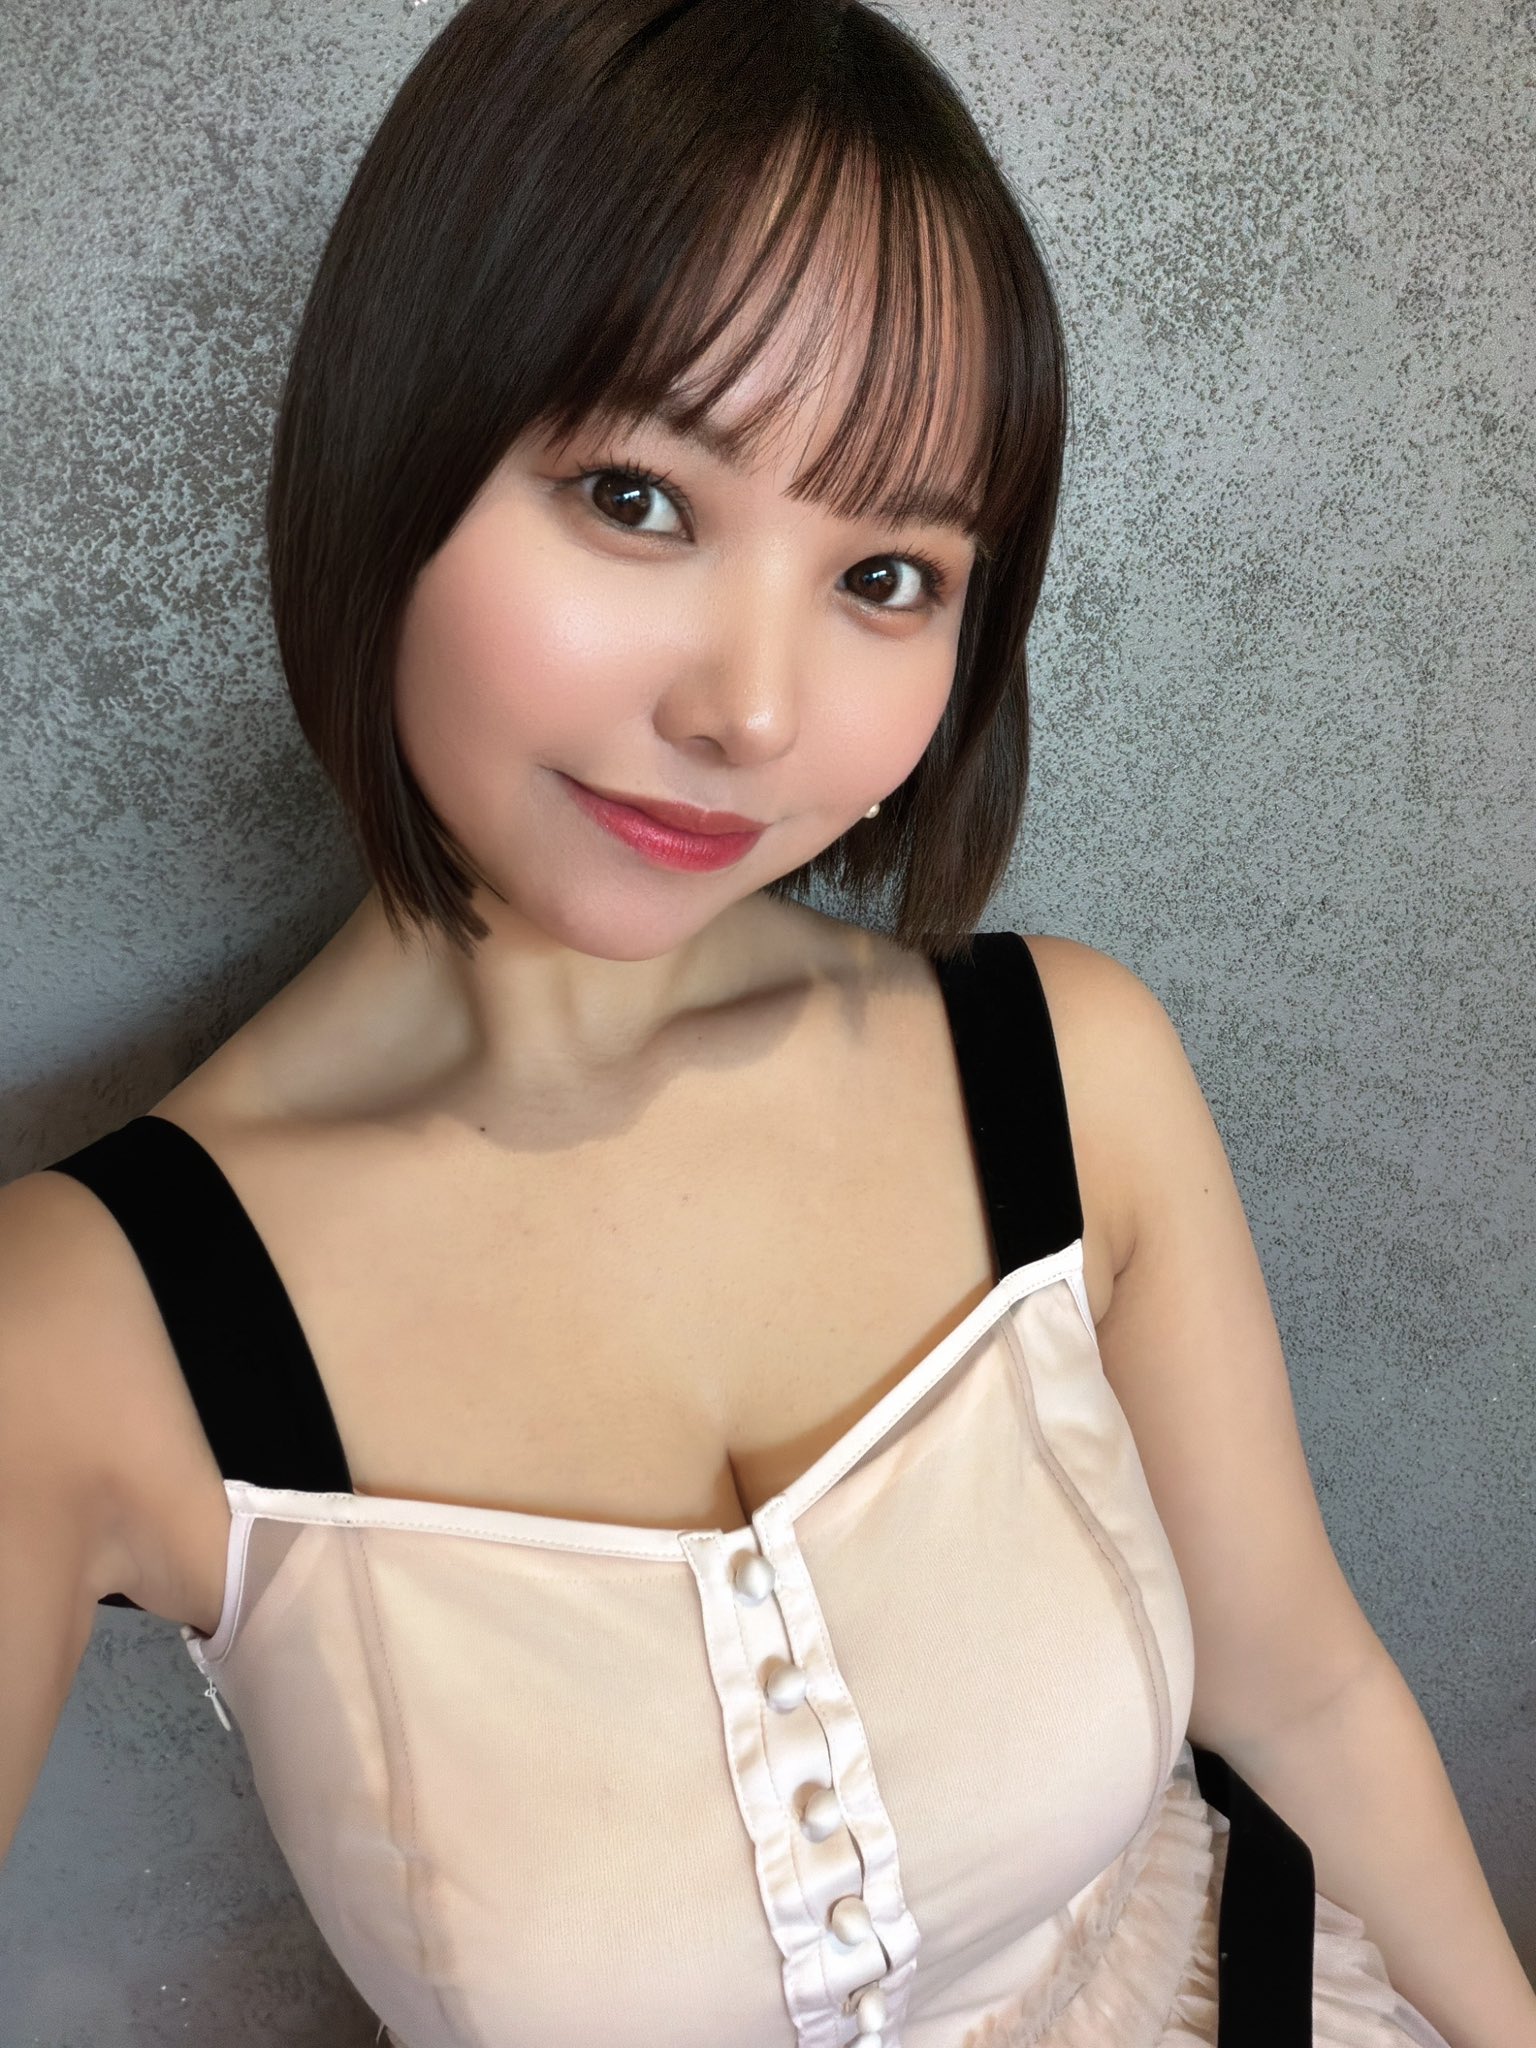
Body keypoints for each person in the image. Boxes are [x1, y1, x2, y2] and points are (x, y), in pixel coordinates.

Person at [1, 3, 1531, 2044]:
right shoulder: (79, 1330)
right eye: (637, 498)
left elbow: (1305, 1692)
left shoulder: (1065, 1073)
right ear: (391, 441)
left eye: (887, 573)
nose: (751, 710)